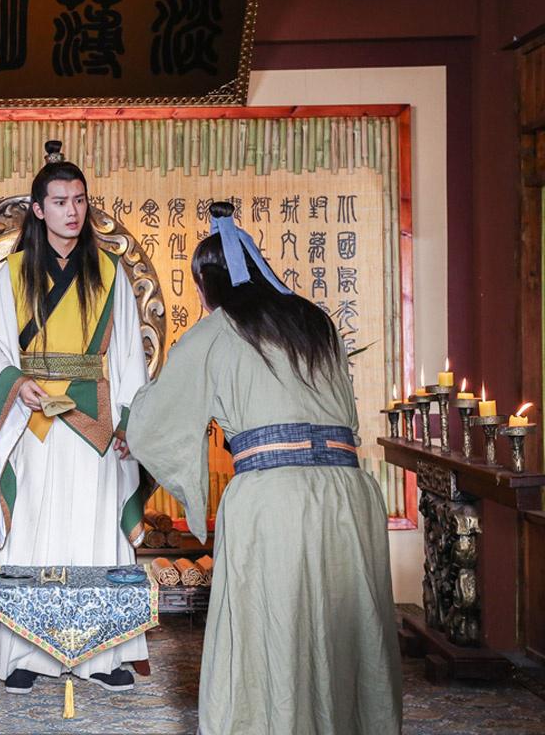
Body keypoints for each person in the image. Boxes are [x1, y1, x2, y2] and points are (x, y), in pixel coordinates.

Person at [125, 201, 402, 734]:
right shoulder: (315, 322)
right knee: (342, 627)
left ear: (207, 285)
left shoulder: (217, 330)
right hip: (349, 495)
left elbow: (153, 423)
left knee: (274, 628)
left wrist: (137, 434)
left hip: (273, 500)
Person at [0, 141, 150, 694]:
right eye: (60, 201)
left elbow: (129, 357)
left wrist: (130, 424)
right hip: (33, 420)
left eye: (79, 200)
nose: (72, 211)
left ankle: (102, 654)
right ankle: (26, 652)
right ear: (38, 209)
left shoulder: (109, 271)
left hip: (93, 421)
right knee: (33, 534)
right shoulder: (14, 272)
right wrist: (17, 384)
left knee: (93, 533)